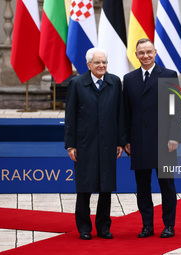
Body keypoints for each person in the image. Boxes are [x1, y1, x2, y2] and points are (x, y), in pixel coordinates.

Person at [64, 48, 126, 240]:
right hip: (84, 143)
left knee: (106, 186)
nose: (102, 66)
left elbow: (120, 113)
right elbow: (70, 116)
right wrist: (71, 144)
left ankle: (103, 227)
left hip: (108, 143)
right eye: (98, 63)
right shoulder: (76, 83)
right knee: (84, 186)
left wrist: (120, 142)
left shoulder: (114, 82)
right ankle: (84, 228)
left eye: (104, 62)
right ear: (88, 65)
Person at [123, 39, 181, 238]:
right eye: (141, 53)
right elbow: (126, 113)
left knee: (166, 185)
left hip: (164, 141)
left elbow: (176, 109)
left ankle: (169, 225)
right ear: (136, 55)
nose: (145, 56)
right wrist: (126, 140)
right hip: (138, 141)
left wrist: (174, 136)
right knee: (142, 186)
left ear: (155, 52)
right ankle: (147, 225)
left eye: (149, 52)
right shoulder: (129, 79)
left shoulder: (168, 75)